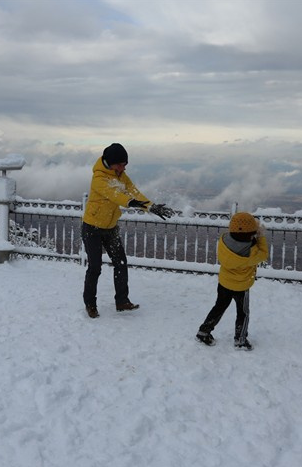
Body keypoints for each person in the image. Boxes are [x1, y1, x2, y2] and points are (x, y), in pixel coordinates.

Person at [81, 143, 174, 318]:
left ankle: (122, 301)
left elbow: (133, 192)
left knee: (121, 263)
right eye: (120, 164)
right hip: (92, 228)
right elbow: (115, 195)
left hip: (110, 228)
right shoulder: (99, 178)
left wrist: (150, 206)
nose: (123, 168)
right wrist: (131, 203)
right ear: (110, 162)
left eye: (125, 165)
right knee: (95, 267)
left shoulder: (121, 175)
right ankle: (90, 304)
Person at [196, 212, 269, 349]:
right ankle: (240, 340)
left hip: (224, 282)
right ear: (251, 232)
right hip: (241, 286)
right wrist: (260, 236)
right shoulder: (251, 251)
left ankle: (203, 331)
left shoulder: (223, 239)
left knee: (219, 307)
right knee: (243, 313)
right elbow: (264, 254)